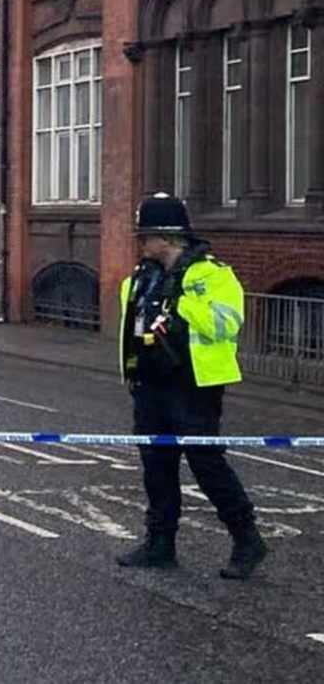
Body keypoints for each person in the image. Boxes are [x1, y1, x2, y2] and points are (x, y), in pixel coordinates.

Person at [115, 193, 267, 580]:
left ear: (166, 237)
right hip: (150, 385)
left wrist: (181, 303)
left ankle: (247, 540)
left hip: (194, 385)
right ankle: (160, 542)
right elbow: (132, 324)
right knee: (157, 466)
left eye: (145, 235)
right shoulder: (141, 277)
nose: (141, 242)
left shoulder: (212, 275)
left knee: (206, 464)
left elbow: (225, 325)